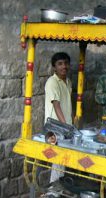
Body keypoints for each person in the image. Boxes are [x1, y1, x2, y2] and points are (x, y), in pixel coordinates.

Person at [44, 52, 72, 185]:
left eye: (66, 63)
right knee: (57, 161)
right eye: (60, 64)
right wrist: (66, 127)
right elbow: (56, 105)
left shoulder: (68, 82)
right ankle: (53, 192)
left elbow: (67, 105)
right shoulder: (52, 82)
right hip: (55, 128)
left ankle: (58, 189)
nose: (64, 66)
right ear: (54, 67)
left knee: (63, 161)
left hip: (65, 127)